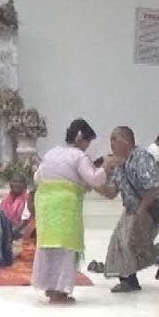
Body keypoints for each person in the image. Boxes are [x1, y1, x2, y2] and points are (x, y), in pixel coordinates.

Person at [32, 118, 111, 304]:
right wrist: (105, 166)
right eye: (87, 142)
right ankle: (61, 291)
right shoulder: (78, 156)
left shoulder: (51, 153)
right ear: (81, 138)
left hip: (45, 204)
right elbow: (94, 180)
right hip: (65, 205)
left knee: (49, 246)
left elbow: (38, 177)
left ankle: (50, 287)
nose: (87, 148)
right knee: (65, 248)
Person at [99, 126, 159, 292]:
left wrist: (140, 213)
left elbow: (152, 189)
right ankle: (129, 279)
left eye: (115, 139)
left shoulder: (141, 158)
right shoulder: (118, 164)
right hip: (132, 207)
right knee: (119, 242)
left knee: (133, 242)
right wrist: (94, 181)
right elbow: (111, 193)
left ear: (127, 140)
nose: (112, 143)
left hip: (150, 207)